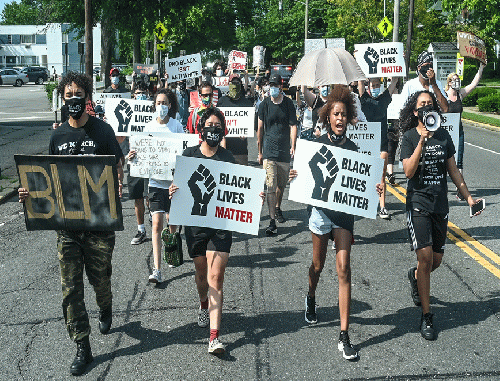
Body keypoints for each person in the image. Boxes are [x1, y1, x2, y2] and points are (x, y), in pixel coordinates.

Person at [18, 71, 124, 376]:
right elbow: (48, 178)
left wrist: (117, 187)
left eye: (79, 95)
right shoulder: (57, 136)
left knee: (99, 281)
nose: (73, 100)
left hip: (99, 226)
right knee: (70, 290)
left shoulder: (102, 131)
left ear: (87, 97)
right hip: (67, 228)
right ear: (62, 99)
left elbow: (116, 166)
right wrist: (29, 191)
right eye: (68, 95)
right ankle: (82, 346)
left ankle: (105, 306)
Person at [289, 85, 383, 361]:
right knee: (318, 265)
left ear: (349, 117)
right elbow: (302, 174)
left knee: (344, 268)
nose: (340, 118)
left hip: (343, 214)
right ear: (328, 117)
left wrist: (374, 188)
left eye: (344, 114)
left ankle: (344, 335)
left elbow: (363, 182)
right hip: (320, 211)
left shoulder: (354, 149)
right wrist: (295, 174)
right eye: (336, 114)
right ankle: (311, 294)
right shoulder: (314, 144)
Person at [399, 90, 483, 340]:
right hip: (418, 203)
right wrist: (422, 141)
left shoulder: (444, 135)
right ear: (415, 112)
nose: (426, 108)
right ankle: (427, 316)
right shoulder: (409, 137)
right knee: (424, 257)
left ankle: (415, 277)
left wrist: (469, 198)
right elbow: (409, 171)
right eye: (422, 105)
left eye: (430, 104)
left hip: (439, 205)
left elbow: (453, 170)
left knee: (435, 261)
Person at [168, 107, 236, 354]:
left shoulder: (228, 159)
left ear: (223, 130)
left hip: (220, 226)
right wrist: (173, 193)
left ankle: (214, 337)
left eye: (218, 126)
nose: (214, 130)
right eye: (210, 125)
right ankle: (203, 304)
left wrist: (254, 197)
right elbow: (178, 188)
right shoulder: (189, 156)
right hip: (195, 225)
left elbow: (238, 194)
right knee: (201, 275)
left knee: (216, 277)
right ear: (201, 128)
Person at [129, 89, 183, 283]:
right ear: (154, 105)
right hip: (155, 183)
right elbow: (141, 152)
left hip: (173, 183)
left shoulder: (176, 126)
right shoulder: (149, 126)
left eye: (164, 102)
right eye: (158, 102)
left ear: (170, 105)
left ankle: (171, 245)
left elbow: (183, 151)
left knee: (172, 222)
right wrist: (133, 157)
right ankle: (157, 270)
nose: (161, 106)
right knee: (157, 224)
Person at [257, 73, 297, 235]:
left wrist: (293, 145)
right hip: (269, 151)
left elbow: (293, 125)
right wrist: (259, 151)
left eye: (275, 85)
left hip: (284, 151)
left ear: (281, 86)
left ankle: (278, 207)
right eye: (270, 85)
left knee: (281, 184)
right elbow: (260, 129)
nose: (272, 88)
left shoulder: (288, 104)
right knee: (271, 186)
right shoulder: (264, 104)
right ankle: (272, 221)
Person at [358, 77, 399, 220]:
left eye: (377, 85)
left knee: (381, 175)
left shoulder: (384, 99)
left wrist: (397, 69)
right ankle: (365, 202)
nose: (375, 87)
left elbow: (394, 82)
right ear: (368, 86)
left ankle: (382, 207)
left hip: (381, 142)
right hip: (366, 143)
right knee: (365, 175)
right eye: (372, 85)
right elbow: (360, 82)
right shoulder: (364, 99)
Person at [444, 62, 486, 200]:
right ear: (449, 82)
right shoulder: (443, 96)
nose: (457, 82)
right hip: (444, 133)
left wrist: (481, 68)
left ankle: (460, 189)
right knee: (443, 159)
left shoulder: (460, 94)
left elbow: (473, 84)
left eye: (458, 80)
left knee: (459, 160)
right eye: (454, 80)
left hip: (458, 132)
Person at [127, 81, 151, 246]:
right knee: (137, 197)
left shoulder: (153, 113)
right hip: (134, 160)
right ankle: (141, 229)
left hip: (151, 160)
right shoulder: (127, 114)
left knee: (149, 195)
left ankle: (152, 215)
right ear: (133, 95)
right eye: (137, 93)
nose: (140, 95)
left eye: (143, 92)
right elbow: (119, 138)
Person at [217, 74, 254, 165]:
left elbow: (251, 122)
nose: (235, 85)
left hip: (241, 151)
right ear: (228, 84)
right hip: (224, 149)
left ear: (240, 84)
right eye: (232, 83)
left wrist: (246, 131)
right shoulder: (222, 101)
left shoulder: (247, 103)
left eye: (237, 83)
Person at [186, 81, 227, 147]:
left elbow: (223, 137)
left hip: (214, 152)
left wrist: (223, 154)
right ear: (200, 96)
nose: (208, 97)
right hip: (198, 152)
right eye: (205, 95)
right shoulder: (194, 114)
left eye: (210, 95)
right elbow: (190, 135)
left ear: (213, 95)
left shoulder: (219, 114)